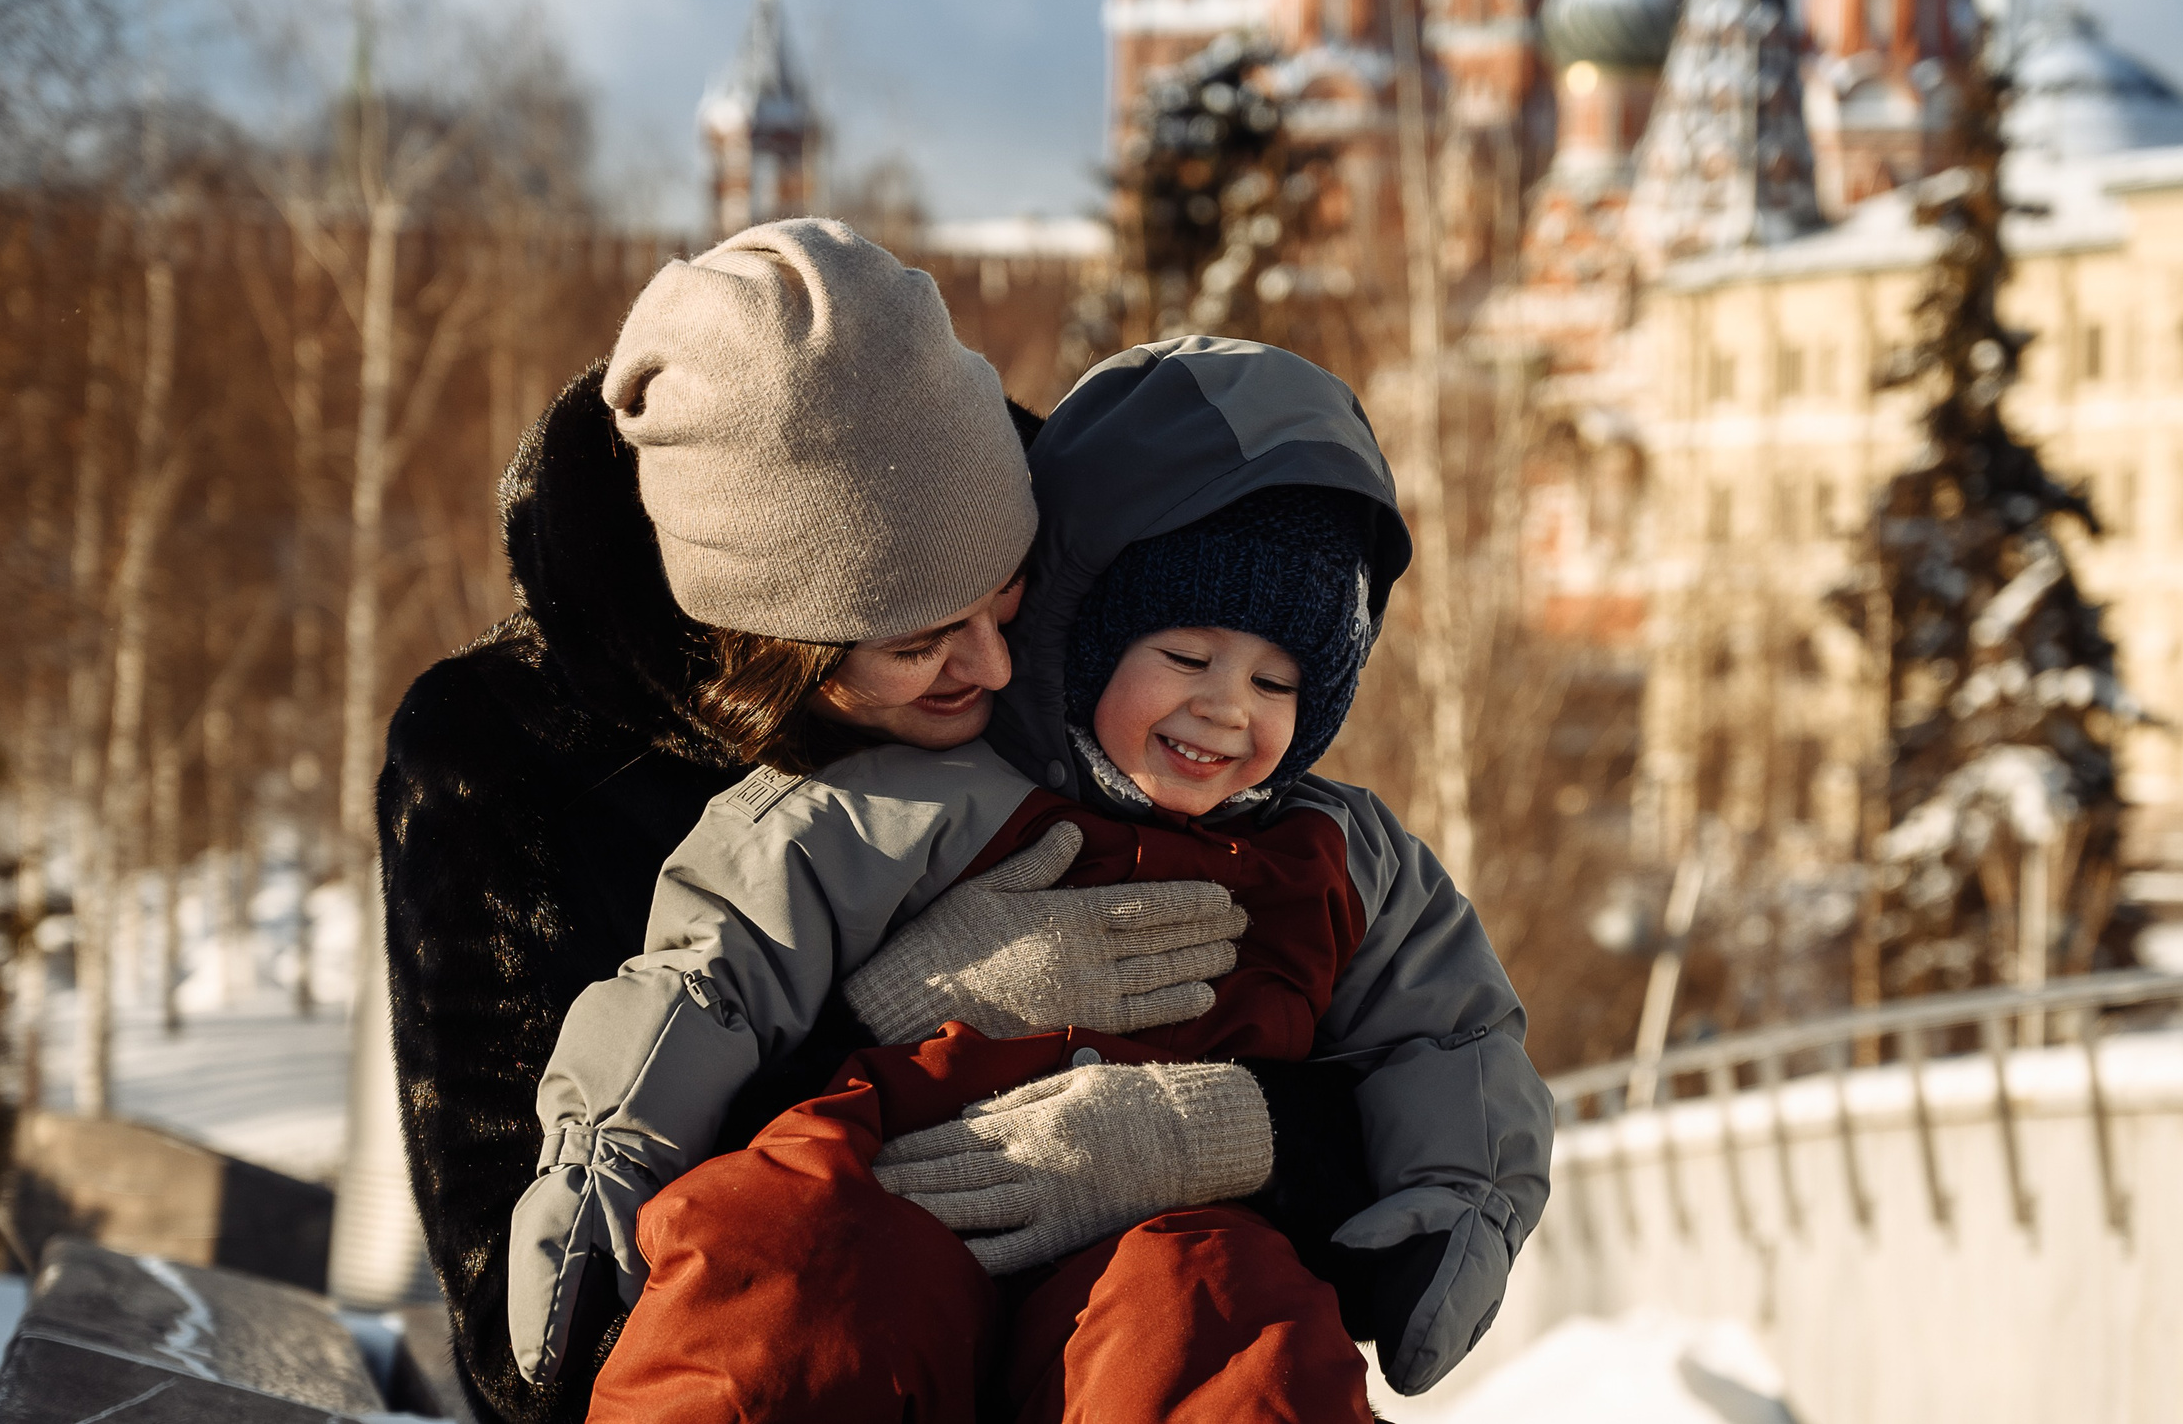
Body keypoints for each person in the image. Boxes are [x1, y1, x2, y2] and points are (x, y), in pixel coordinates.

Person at [378, 226, 1352, 1424]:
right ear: (770, 641)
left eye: (1007, 600)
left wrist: (1232, 1129)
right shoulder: (502, 756)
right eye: (921, 641)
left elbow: (1374, 1059)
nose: (996, 667)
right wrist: (897, 1018)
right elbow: (527, 1343)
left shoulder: (1097, 611)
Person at [516, 337, 1552, 1423]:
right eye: (1187, 657)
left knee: (1223, 1317)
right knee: (781, 1268)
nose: (1228, 707)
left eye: (1279, 680)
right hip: (893, 1174)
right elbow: (709, 977)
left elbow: (1452, 1034)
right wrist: (603, 1160)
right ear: (1084, 627)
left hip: (1166, 1225)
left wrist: (1459, 1201)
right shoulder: (909, 796)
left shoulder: (1338, 851)